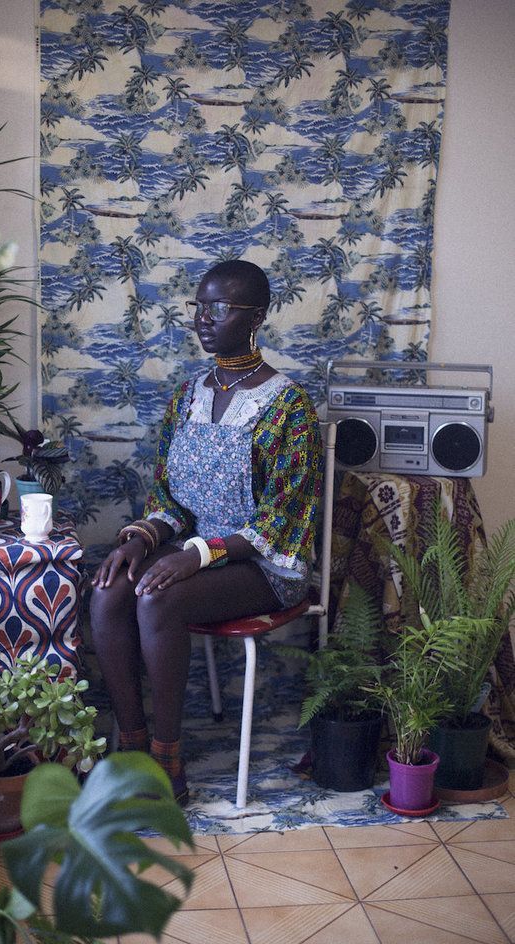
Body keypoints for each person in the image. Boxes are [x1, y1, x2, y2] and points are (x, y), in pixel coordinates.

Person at [90, 260, 322, 803]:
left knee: (156, 599)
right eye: (198, 306)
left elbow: (283, 522)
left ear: (257, 315)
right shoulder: (189, 394)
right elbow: (169, 495)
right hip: (193, 553)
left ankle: (169, 767)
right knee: (107, 592)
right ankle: (132, 750)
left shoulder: (288, 406)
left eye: (218, 308)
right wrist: (142, 538)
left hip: (266, 565)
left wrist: (197, 554)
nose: (202, 318)